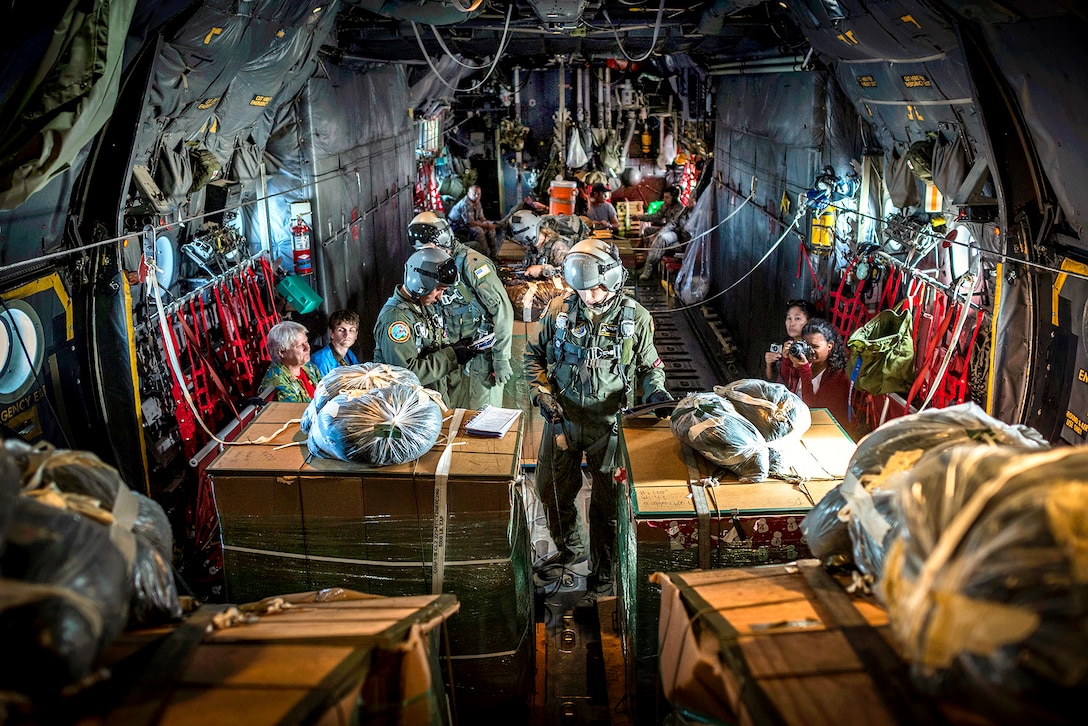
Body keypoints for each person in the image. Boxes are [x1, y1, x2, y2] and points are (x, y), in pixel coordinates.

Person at [525, 238, 674, 607]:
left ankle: (603, 575)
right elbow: (534, 357)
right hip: (562, 420)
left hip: (609, 427)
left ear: (612, 279)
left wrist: (655, 394)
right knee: (550, 488)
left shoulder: (635, 318)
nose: (588, 297)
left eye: (594, 290)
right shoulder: (559, 311)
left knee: (607, 508)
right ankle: (570, 549)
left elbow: (650, 368)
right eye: (582, 290)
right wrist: (541, 394)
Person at [407, 211, 514, 408]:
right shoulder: (432, 265)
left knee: (482, 417)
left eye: (430, 249)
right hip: (452, 356)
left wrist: (501, 357)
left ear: (443, 240)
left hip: (481, 359)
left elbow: (502, 312)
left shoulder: (473, 265)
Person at [373, 246, 482, 406]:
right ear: (421, 282)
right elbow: (406, 374)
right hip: (411, 408)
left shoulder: (424, 306)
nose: (440, 297)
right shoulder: (396, 320)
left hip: (433, 399)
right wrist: (451, 356)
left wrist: (458, 349)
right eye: (438, 289)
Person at [786, 317, 854, 435]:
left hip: (824, 433)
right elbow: (784, 391)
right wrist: (787, 361)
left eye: (815, 346)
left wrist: (805, 372)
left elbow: (815, 415)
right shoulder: (803, 362)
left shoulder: (838, 376)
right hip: (795, 426)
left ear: (830, 346)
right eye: (806, 345)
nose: (810, 351)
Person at [634, 185, 690, 280]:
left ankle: (648, 270)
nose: (664, 200)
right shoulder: (666, 206)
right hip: (666, 230)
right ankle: (646, 262)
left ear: (675, 198)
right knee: (647, 231)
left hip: (676, 234)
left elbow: (673, 225)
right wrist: (640, 217)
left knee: (661, 238)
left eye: (667, 197)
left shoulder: (680, 209)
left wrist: (658, 234)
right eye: (664, 197)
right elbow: (656, 216)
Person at [259, 320, 321, 402]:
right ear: (282, 352)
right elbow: (294, 413)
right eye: (299, 346)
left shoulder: (309, 367)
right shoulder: (277, 383)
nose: (307, 348)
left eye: (306, 342)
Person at [765, 299, 817, 387]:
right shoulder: (785, 346)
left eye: (797, 318)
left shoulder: (814, 348)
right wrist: (769, 364)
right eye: (789, 318)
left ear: (809, 321)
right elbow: (771, 379)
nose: (792, 323)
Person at [508, 209, 572, 279]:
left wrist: (542, 270)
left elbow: (570, 272)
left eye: (522, 242)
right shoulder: (533, 249)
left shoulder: (557, 246)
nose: (522, 245)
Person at [448, 184, 501, 258]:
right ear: (469, 193)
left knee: (491, 229)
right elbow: (470, 222)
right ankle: (484, 256)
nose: (477, 196)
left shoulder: (477, 202)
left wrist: (487, 223)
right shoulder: (465, 204)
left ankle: (493, 254)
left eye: (479, 194)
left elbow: (481, 217)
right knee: (479, 231)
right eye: (474, 194)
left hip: (471, 223)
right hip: (459, 226)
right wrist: (485, 225)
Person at [310, 309, 360, 376]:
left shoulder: (349, 354)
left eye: (351, 330)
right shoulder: (320, 359)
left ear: (356, 335)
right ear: (331, 333)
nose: (347, 335)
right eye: (341, 330)